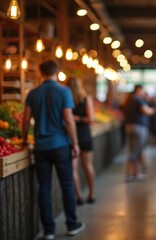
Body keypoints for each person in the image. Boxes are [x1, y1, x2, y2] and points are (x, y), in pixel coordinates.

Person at [22, 59, 85, 239]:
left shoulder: (33, 93)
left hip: (40, 147)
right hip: (60, 145)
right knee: (66, 185)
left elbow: (26, 120)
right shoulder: (64, 92)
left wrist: (25, 140)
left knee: (44, 187)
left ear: (41, 73)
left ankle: (48, 230)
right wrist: (75, 143)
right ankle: (72, 224)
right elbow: (69, 120)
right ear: (57, 71)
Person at [66, 77, 96, 205]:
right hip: (85, 135)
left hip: (71, 136)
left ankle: (79, 196)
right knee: (88, 166)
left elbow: (66, 119)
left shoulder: (65, 100)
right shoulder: (86, 99)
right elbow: (91, 119)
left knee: (73, 169)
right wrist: (79, 118)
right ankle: (92, 193)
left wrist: (73, 118)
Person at [121, 85, 155, 181]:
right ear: (138, 90)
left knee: (134, 149)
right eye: (142, 91)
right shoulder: (137, 100)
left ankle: (136, 173)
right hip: (138, 128)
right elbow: (145, 111)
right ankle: (128, 172)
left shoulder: (127, 100)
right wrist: (152, 110)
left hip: (129, 127)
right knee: (135, 151)